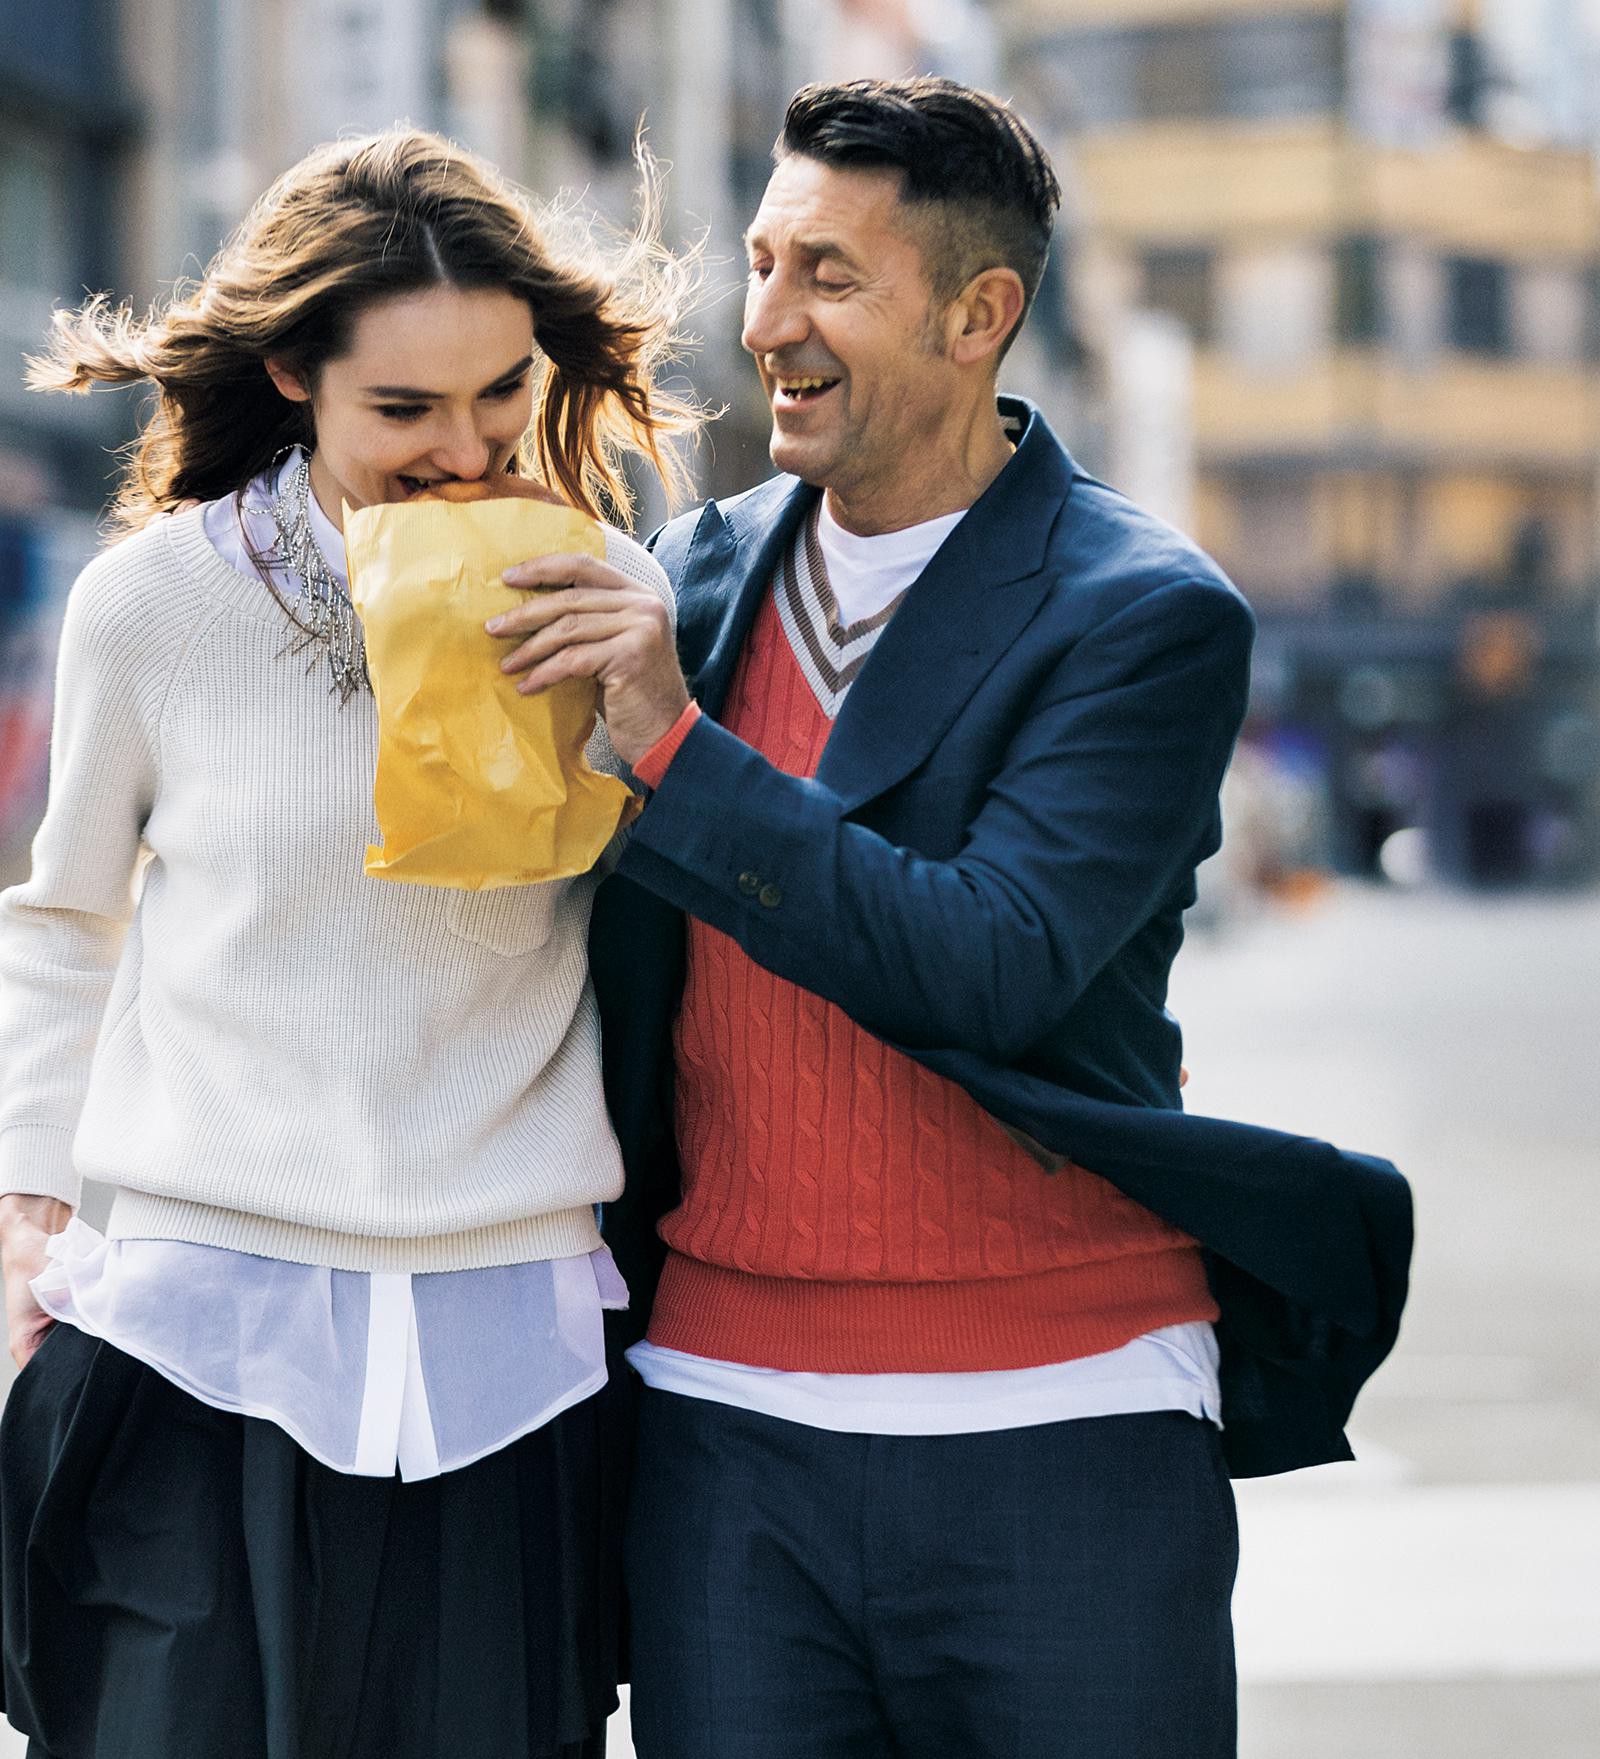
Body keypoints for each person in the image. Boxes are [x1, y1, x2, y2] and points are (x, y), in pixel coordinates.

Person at [490, 77, 1412, 1759]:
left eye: (829, 276)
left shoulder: (1141, 616)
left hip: (1063, 1430)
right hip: (725, 1438)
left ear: (982, 312)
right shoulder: (684, 579)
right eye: (763, 265)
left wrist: (677, 755)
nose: (767, 320)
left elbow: (986, 960)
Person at [0, 127, 702, 1759]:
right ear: (295, 374)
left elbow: (668, 927)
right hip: (196, 1324)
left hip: (512, 1325)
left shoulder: (606, 592)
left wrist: (655, 717)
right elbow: (62, 921)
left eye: (502, 393)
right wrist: (23, 1223)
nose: (466, 449)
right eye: (405, 409)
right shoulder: (152, 606)